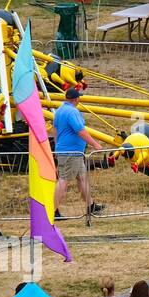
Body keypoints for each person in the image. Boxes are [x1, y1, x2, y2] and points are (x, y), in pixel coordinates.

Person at [52, 87, 104, 219]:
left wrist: (58, 146)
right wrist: (95, 144)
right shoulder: (72, 112)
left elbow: (55, 130)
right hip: (71, 152)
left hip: (69, 151)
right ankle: (53, 211)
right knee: (63, 180)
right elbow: (80, 130)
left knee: (82, 178)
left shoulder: (59, 111)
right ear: (76, 99)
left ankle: (91, 205)